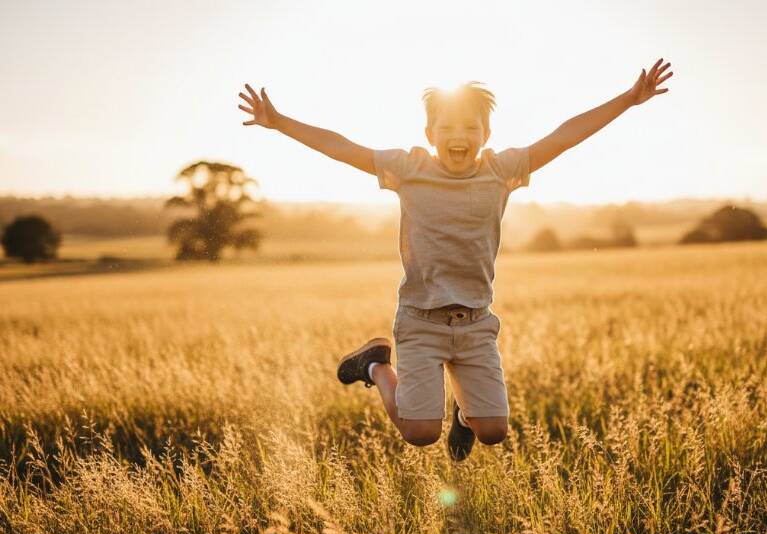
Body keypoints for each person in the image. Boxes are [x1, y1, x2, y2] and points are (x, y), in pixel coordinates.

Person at [238, 59, 672, 461]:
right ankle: (374, 363)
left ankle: (465, 415)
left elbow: (564, 135)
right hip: (421, 321)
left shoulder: (502, 171)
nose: (459, 136)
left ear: (486, 135)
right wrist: (279, 123)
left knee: (494, 431)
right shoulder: (408, 168)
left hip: (475, 324)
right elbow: (341, 147)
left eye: (471, 126)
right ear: (430, 133)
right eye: (447, 126)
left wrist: (627, 100)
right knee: (420, 432)